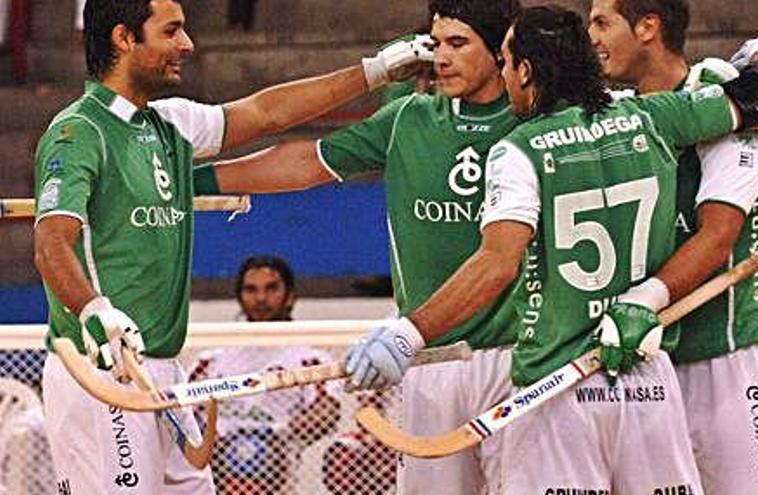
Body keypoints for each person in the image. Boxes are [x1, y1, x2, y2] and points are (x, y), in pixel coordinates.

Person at [344, 5, 758, 493]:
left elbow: (496, 263)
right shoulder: (651, 117)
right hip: (645, 377)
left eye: (507, 60)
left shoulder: (519, 150)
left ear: (526, 71)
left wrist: (408, 333)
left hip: (557, 386)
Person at [32, 0, 432, 493]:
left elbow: (265, 113)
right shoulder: (77, 133)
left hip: (164, 369)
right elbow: (50, 242)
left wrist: (374, 72)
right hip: (101, 374)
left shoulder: (170, 123)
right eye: (172, 31)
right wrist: (93, 309)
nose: (188, 44)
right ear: (124, 38)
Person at [194, 1, 523, 493]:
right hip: (430, 361)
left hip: (519, 359)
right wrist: (193, 179)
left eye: (459, 44)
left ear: (501, 51)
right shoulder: (409, 117)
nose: (442, 58)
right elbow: (306, 162)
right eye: (437, 45)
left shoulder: (536, 124)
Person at [585, 0, 758, 492]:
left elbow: (719, 233)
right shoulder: (612, 111)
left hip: (732, 356)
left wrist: (644, 299)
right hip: (648, 358)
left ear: (648, 26)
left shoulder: (724, 96)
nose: (591, 37)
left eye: (602, 22)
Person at [189, 256, 342, 494]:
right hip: (217, 476)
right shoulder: (211, 359)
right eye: (251, 290)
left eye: (271, 289)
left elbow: (328, 411)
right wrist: (215, 441)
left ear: (290, 296)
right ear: (239, 297)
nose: (261, 298)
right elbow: (183, 413)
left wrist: (281, 434)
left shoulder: (310, 360)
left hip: (278, 475)